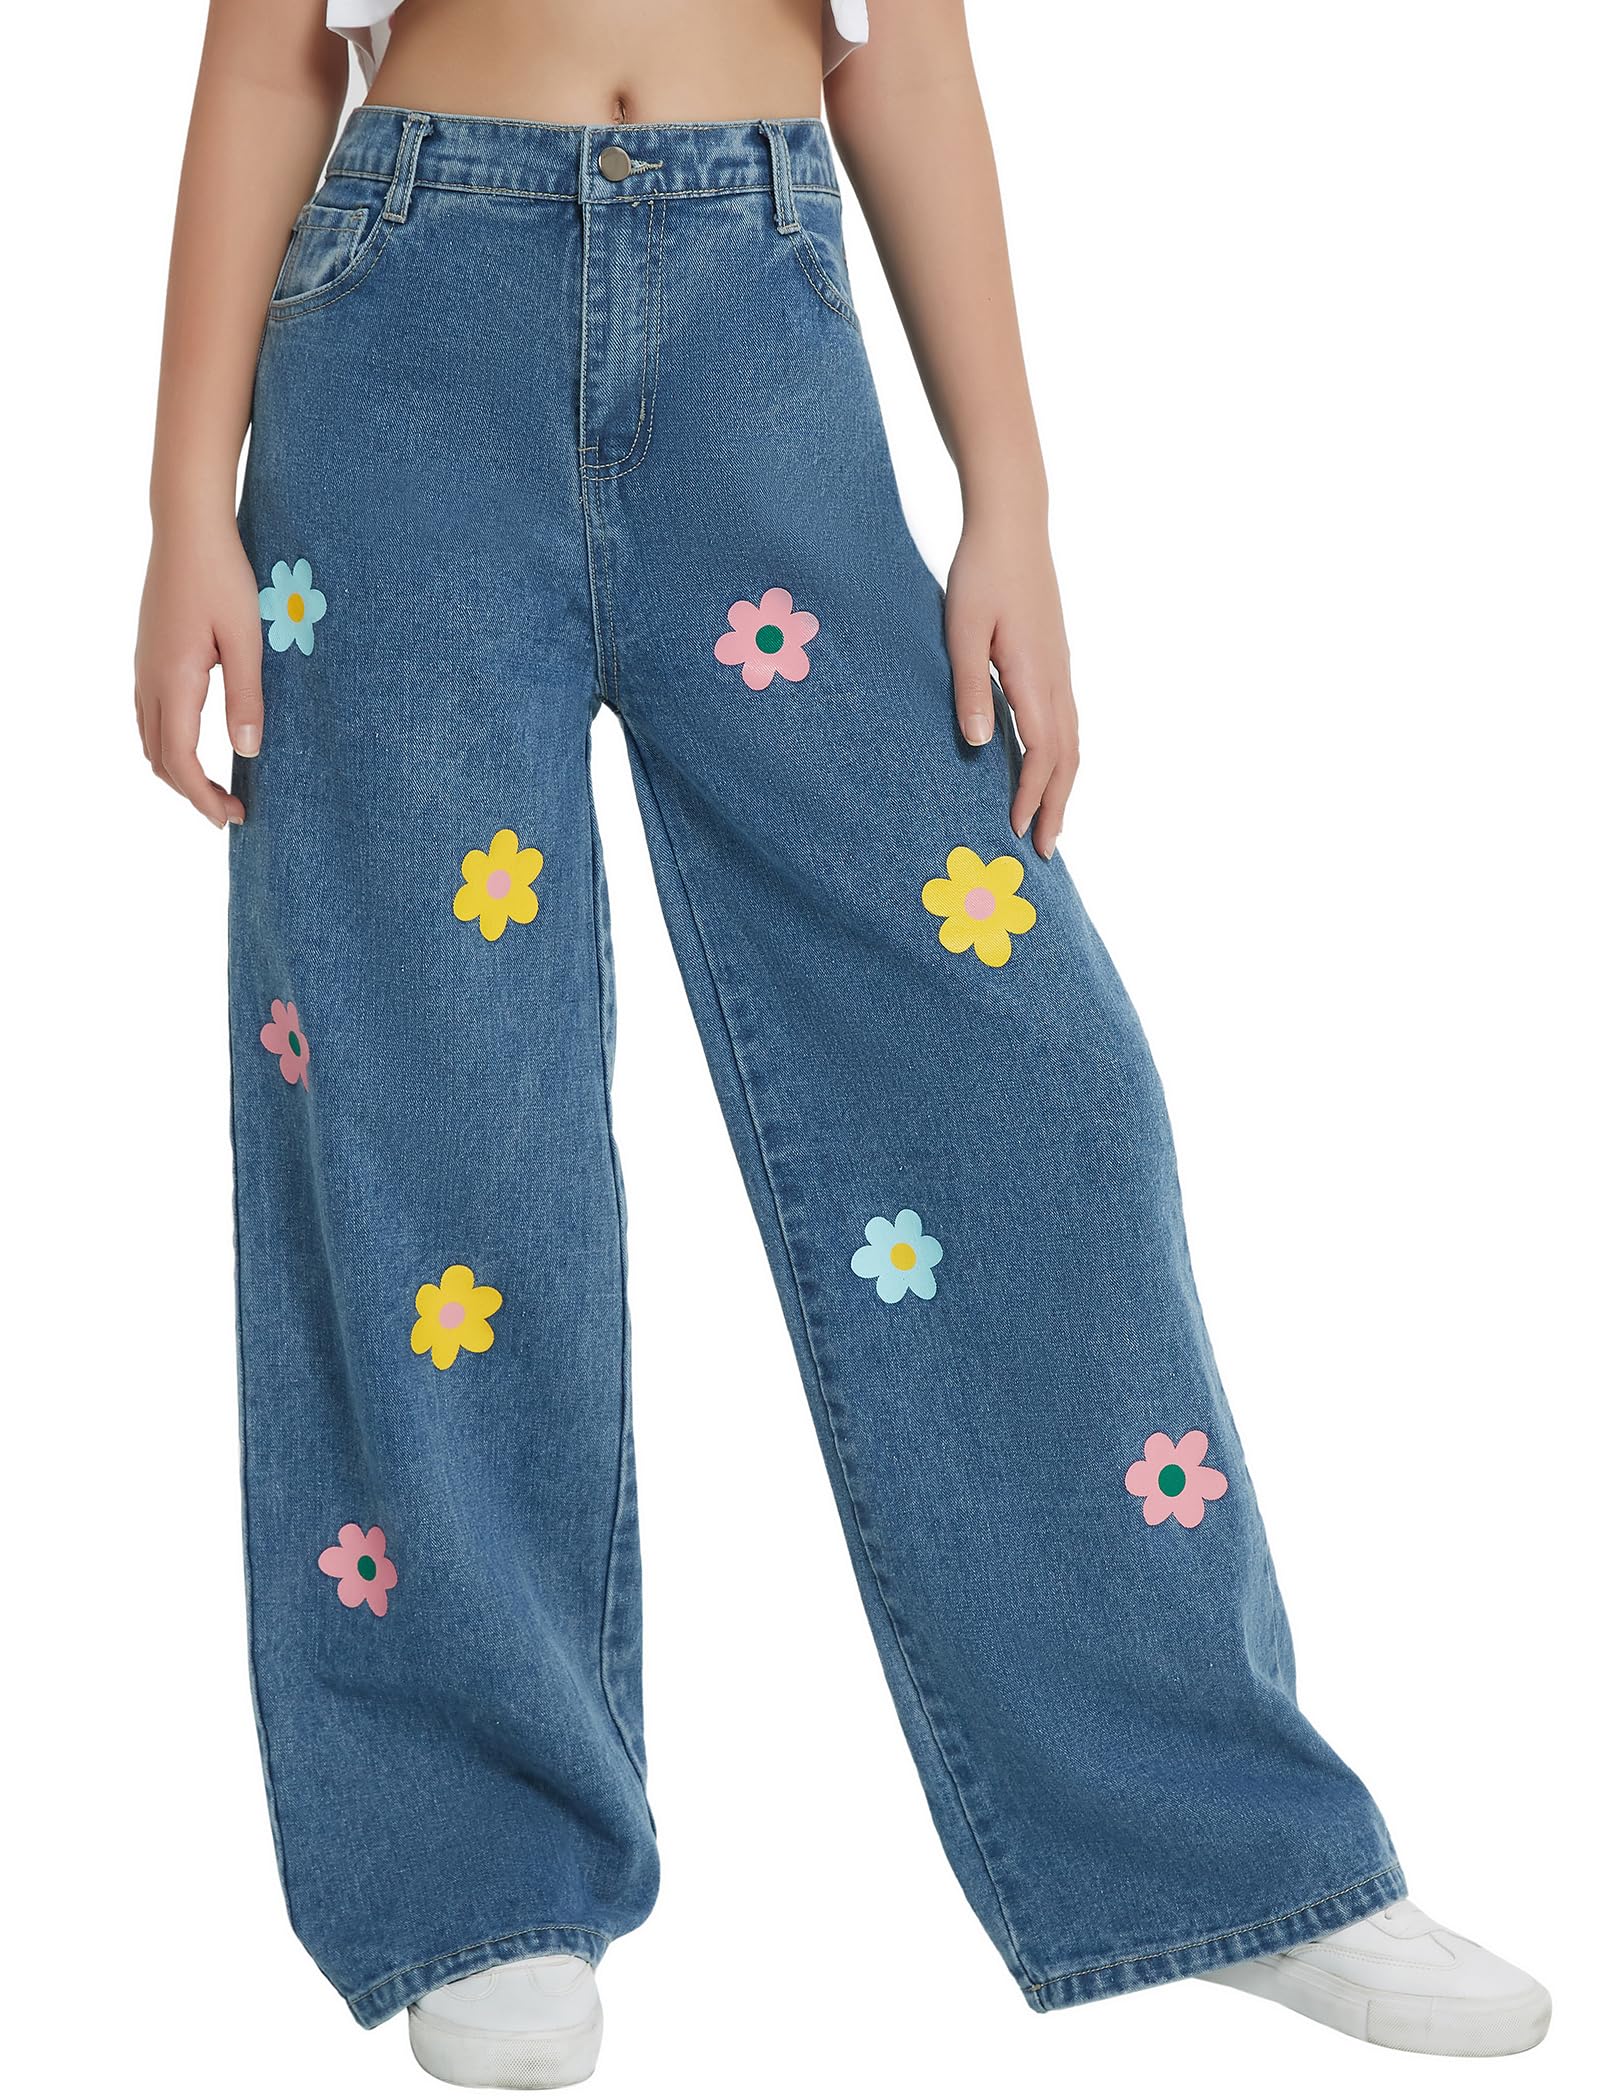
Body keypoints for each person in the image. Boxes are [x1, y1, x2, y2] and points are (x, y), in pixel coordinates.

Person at [134, 0, 1551, 2084]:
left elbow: (906, 51)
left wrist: (1010, 497)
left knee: (1032, 1081)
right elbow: (268, 52)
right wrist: (184, 497)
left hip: (758, 332)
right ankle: (479, 1869)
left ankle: (1207, 1838)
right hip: (403, 338)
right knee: (430, 1111)